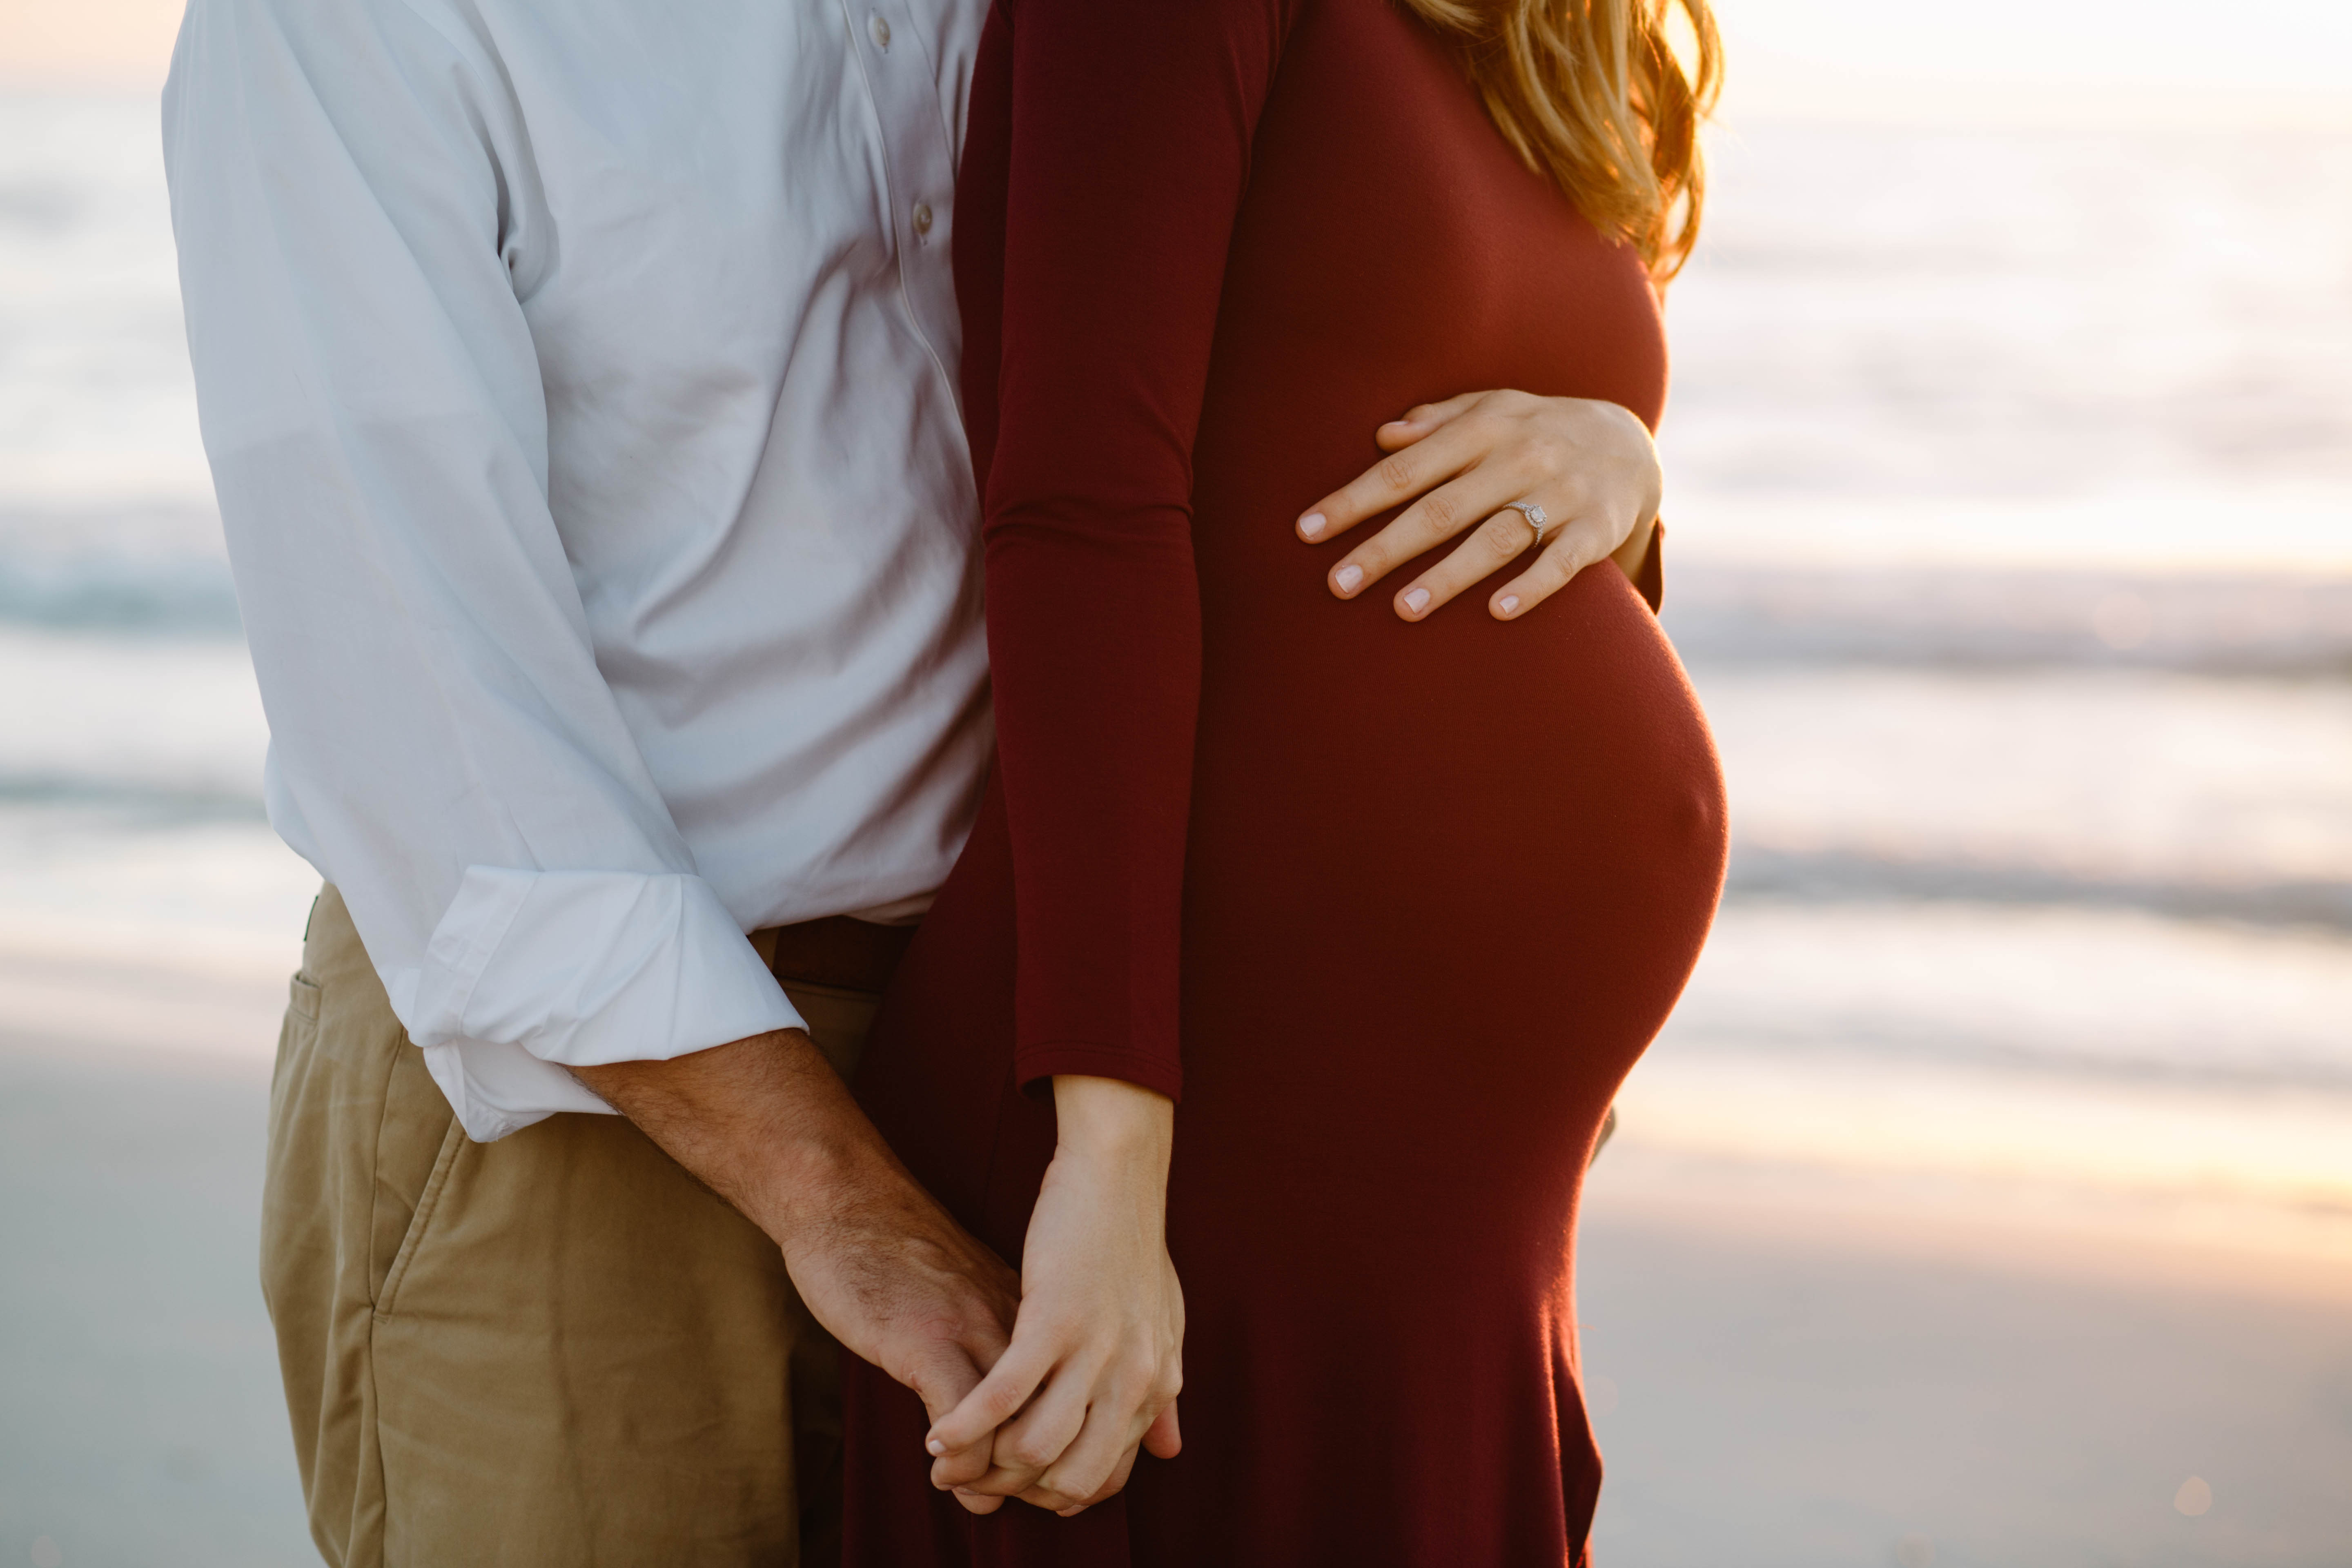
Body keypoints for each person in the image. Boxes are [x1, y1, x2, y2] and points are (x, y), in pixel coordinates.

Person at [159, 0, 1675, 1560]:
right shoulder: (339, 28)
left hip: (1028, 1067)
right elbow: (433, 742)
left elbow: (1214, 404)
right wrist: (845, 1208)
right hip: (584, 1118)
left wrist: (1612, 460)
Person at [839, 0, 1729, 1561]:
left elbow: (1408, 433)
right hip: (1210, 1102)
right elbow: (1080, 516)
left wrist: (1630, 468)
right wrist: (1109, 1161)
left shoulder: (1549, 32)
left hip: (1453, 1185)